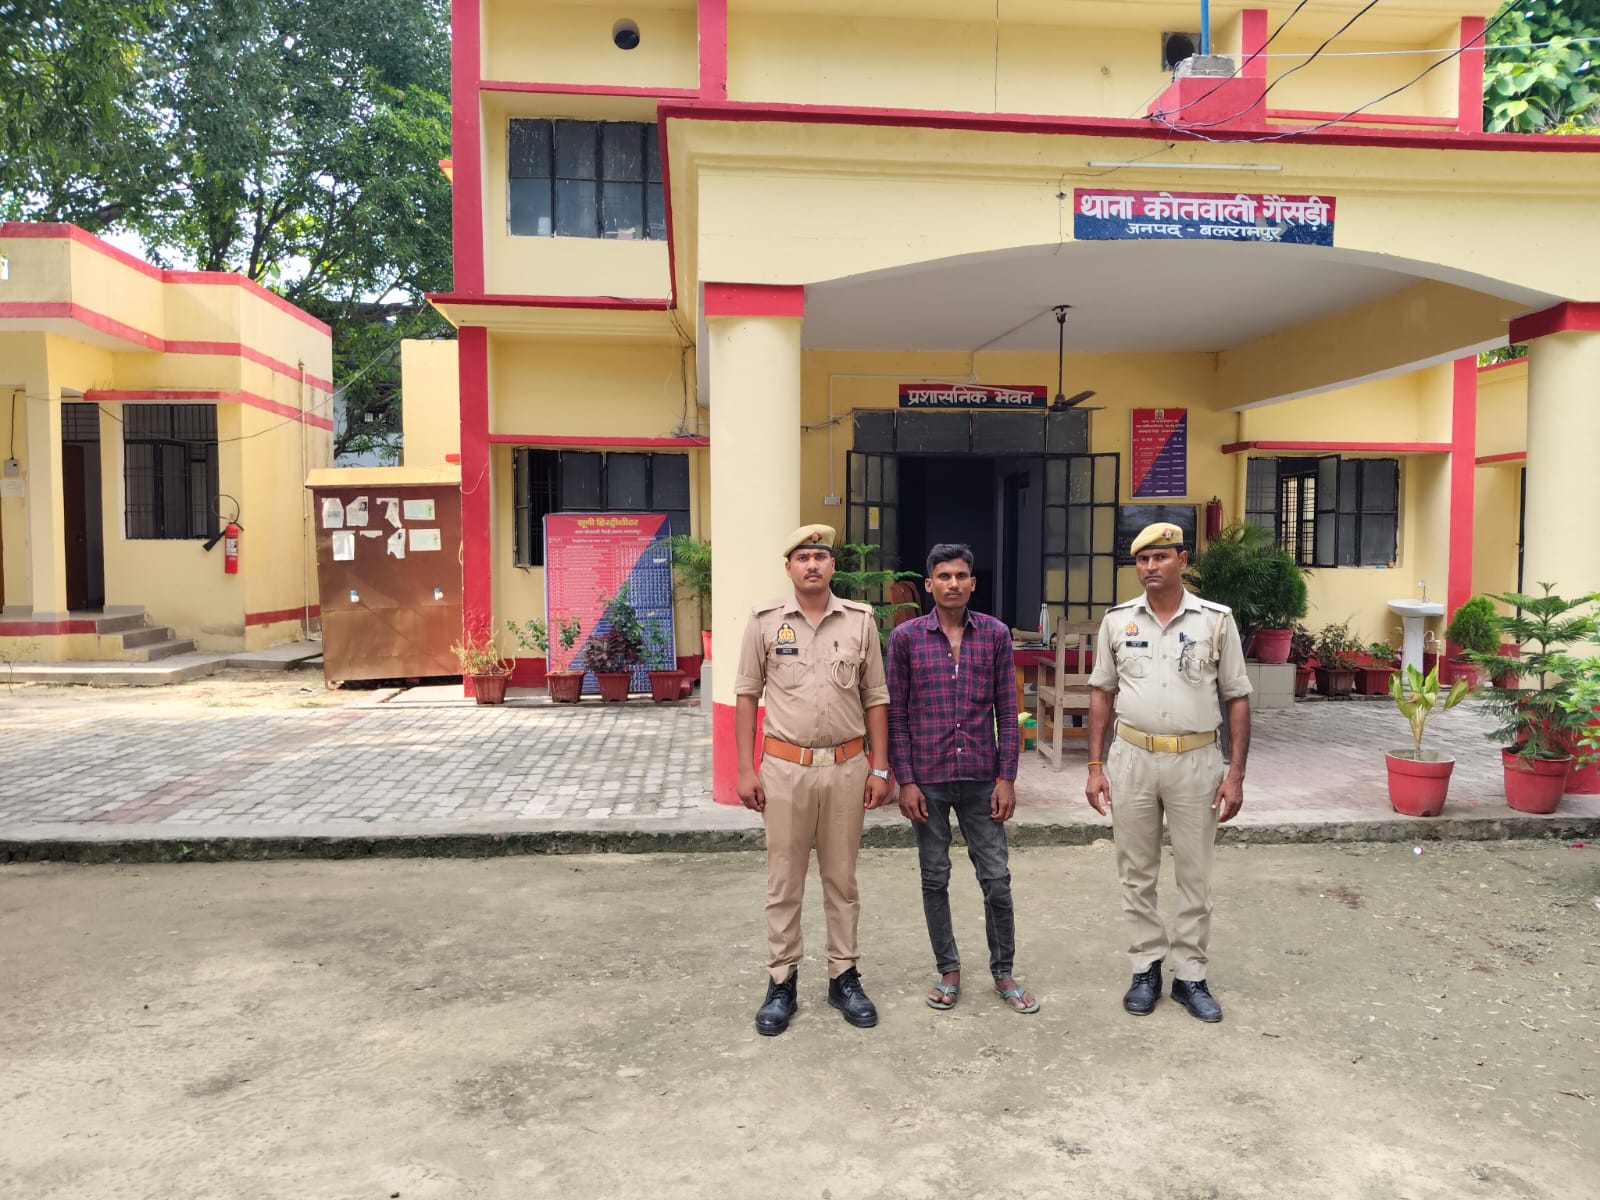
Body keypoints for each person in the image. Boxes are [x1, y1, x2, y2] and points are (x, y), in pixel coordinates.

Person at [1085, 522, 1251, 1023]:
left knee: (1194, 873)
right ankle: (1145, 968)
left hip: (1196, 761)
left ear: (1182, 560)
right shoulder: (1117, 622)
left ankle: (1190, 976)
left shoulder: (1216, 621)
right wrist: (1095, 766)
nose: (1150, 567)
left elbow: (1237, 697)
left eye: (1160, 557)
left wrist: (1236, 773)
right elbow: (1102, 693)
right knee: (1136, 872)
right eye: (1142, 560)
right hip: (1132, 758)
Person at [735, 523, 894, 1036]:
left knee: (842, 881)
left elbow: (876, 697)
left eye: (820, 557)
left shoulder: (860, 622)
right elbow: (746, 695)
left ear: (832, 566)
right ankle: (782, 982)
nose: (812, 565)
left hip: (847, 769)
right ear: (789, 568)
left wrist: (880, 767)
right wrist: (745, 768)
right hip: (784, 772)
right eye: (802, 557)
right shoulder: (764, 623)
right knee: (784, 882)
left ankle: (843, 976)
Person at [886, 543, 1038, 1016]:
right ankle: (948, 969)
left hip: (980, 778)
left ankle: (1003, 971)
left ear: (973, 583)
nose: (952, 584)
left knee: (996, 879)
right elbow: (896, 717)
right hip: (927, 780)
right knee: (935, 877)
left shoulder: (994, 634)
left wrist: (1006, 777)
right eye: (944, 576)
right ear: (929, 584)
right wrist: (905, 780)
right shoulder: (906, 639)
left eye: (960, 576)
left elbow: (1008, 713)